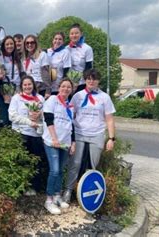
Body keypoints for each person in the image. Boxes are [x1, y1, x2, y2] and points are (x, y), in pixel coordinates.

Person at [62, 69, 116, 203]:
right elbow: (70, 115)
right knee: (75, 163)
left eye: (94, 79)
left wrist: (111, 138)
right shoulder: (77, 96)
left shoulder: (104, 97)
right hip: (79, 133)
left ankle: (88, 194)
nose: (91, 81)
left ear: (98, 81)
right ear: (85, 80)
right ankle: (68, 190)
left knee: (93, 165)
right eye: (88, 79)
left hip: (96, 134)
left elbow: (109, 119)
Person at [42, 78, 76, 214]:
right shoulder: (52, 100)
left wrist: (73, 142)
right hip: (52, 142)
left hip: (65, 142)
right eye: (63, 86)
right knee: (54, 170)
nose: (65, 89)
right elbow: (48, 119)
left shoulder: (69, 105)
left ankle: (57, 195)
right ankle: (48, 200)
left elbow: (71, 125)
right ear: (59, 87)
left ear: (71, 90)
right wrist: (54, 138)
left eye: (68, 87)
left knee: (61, 170)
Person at [8, 75, 46, 196]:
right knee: (21, 161)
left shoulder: (39, 98)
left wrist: (39, 115)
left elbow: (46, 116)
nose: (27, 86)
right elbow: (12, 116)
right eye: (25, 84)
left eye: (29, 84)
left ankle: (34, 187)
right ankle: (21, 186)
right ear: (21, 86)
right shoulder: (16, 98)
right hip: (20, 133)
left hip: (36, 135)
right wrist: (29, 122)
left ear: (33, 85)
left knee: (36, 162)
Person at [0, 36, 23, 126]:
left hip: (17, 88)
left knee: (16, 113)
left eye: (11, 44)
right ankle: (5, 134)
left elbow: (22, 72)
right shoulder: (0, 57)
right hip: (5, 88)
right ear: (4, 46)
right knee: (5, 114)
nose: (9, 46)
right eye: (7, 44)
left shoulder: (17, 58)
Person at [67, 23, 94, 94]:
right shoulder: (66, 49)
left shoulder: (87, 48)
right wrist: (72, 81)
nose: (74, 35)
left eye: (76, 33)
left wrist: (77, 81)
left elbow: (88, 67)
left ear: (81, 34)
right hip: (68, 83)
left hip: (82, 83)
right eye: (72, 33)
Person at [22, 34, 51, 99]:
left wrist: (48, 90)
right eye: (27, 43)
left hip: (41, 88)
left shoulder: (42, 55)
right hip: (29, 89)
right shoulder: (24, 58)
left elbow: (45, 73)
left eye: (32, 42)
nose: (30, 45)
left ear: (36, 44)